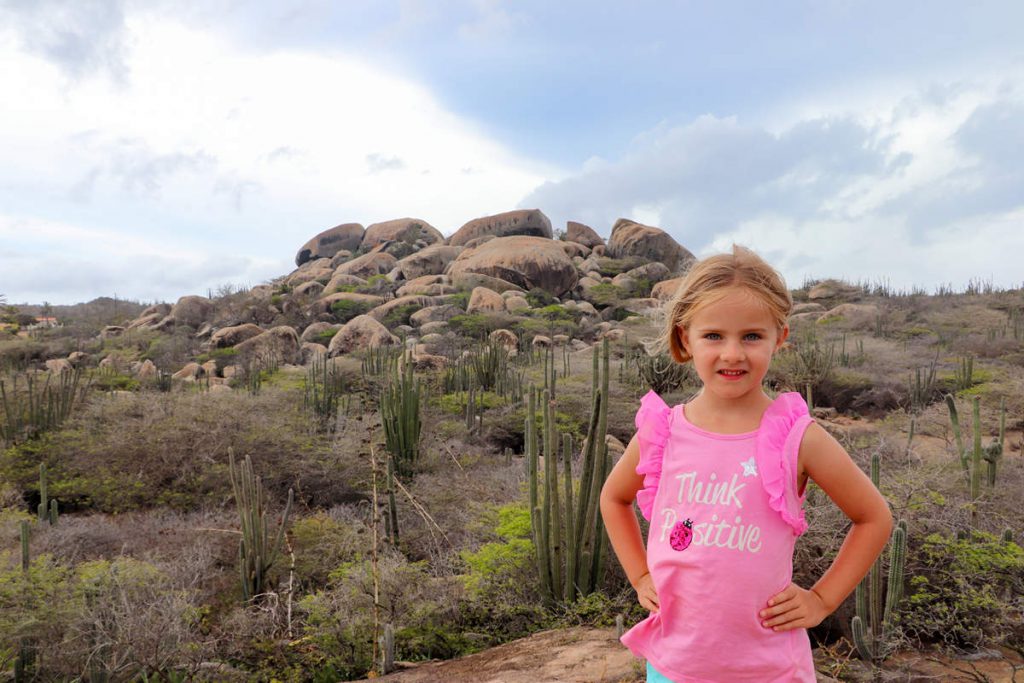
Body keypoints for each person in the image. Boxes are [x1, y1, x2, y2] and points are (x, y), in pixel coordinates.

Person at [600, 245, 892, 683]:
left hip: (768, 667)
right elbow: (613, 498)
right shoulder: (662, 432)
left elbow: (874, 517)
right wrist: (641, 575)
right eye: (713, 335)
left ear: (781, 337)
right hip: (674, 665)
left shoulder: (798, 438)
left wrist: (821, 601)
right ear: (685, 338)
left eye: (752, 336)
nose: (733, 353)